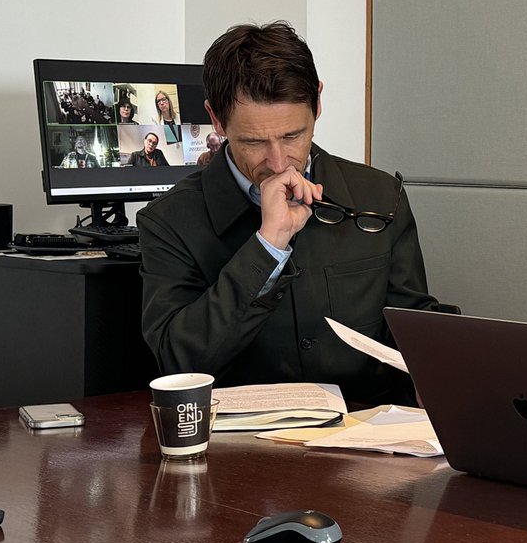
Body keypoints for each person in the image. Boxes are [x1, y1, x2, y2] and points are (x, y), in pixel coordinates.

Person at [139, 21, 438, 405]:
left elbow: (415, 331)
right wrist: (268, 246)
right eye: (253, 141)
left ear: (317, 103)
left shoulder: (380, 195)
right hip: (241, 449)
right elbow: (178, 364)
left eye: (293, 136)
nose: (279, 161)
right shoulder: (168, 221)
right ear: (216, 118)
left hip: (367, 441)